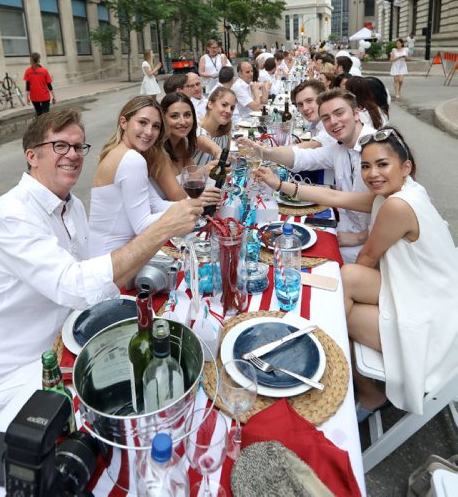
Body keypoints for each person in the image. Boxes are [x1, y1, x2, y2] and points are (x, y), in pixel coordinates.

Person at [0, 108, 202, 433]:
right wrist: (161, 231)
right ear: (32, 155)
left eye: (78, 147)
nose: (72, 155)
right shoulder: (9, 214)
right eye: (60, 146)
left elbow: (87, 282)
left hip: (59, 348)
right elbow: (74, 285)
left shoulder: (70, 206)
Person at [255, 127, 458, 418]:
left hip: (433, 321)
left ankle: (358, 389)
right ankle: (345, 374)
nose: (372, 173)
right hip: (427, 289)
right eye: (365, 166)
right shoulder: (403, 190)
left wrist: (342, 303)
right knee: (345, 280)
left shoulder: (397, 205)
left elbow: (368, 256)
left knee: (335, 311)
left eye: (382, 164)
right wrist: (280, 185)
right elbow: (334, 198)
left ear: (406, 167)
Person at [240, 88, 374, 263]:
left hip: (368, 240)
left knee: (288, 257)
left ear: (356, 113)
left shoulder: (376, 146)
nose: (333, 122)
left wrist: (361, 236)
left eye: (339, 113)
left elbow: (388, 202)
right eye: (326, 118)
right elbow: (303, 158)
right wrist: (265, 152)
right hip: (345, 226)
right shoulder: (339, 148)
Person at [88, 97, 175, 254]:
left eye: (156, 126)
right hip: (112, 261)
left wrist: (197, 204)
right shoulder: (132, 160)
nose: (149, 132)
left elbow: (155, 204)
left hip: (102, 254)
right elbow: (143, 225)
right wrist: (184, 211)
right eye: (142, 122)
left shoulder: (121, 153)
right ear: (123, 122)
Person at [193, 86, 236, 165]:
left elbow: (222, 167)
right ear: (210, 104)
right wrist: (219, 152)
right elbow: (206, 143)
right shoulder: (195, 130)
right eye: (224, 105)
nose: (228, 111)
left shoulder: (225, 134)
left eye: (232, 108)